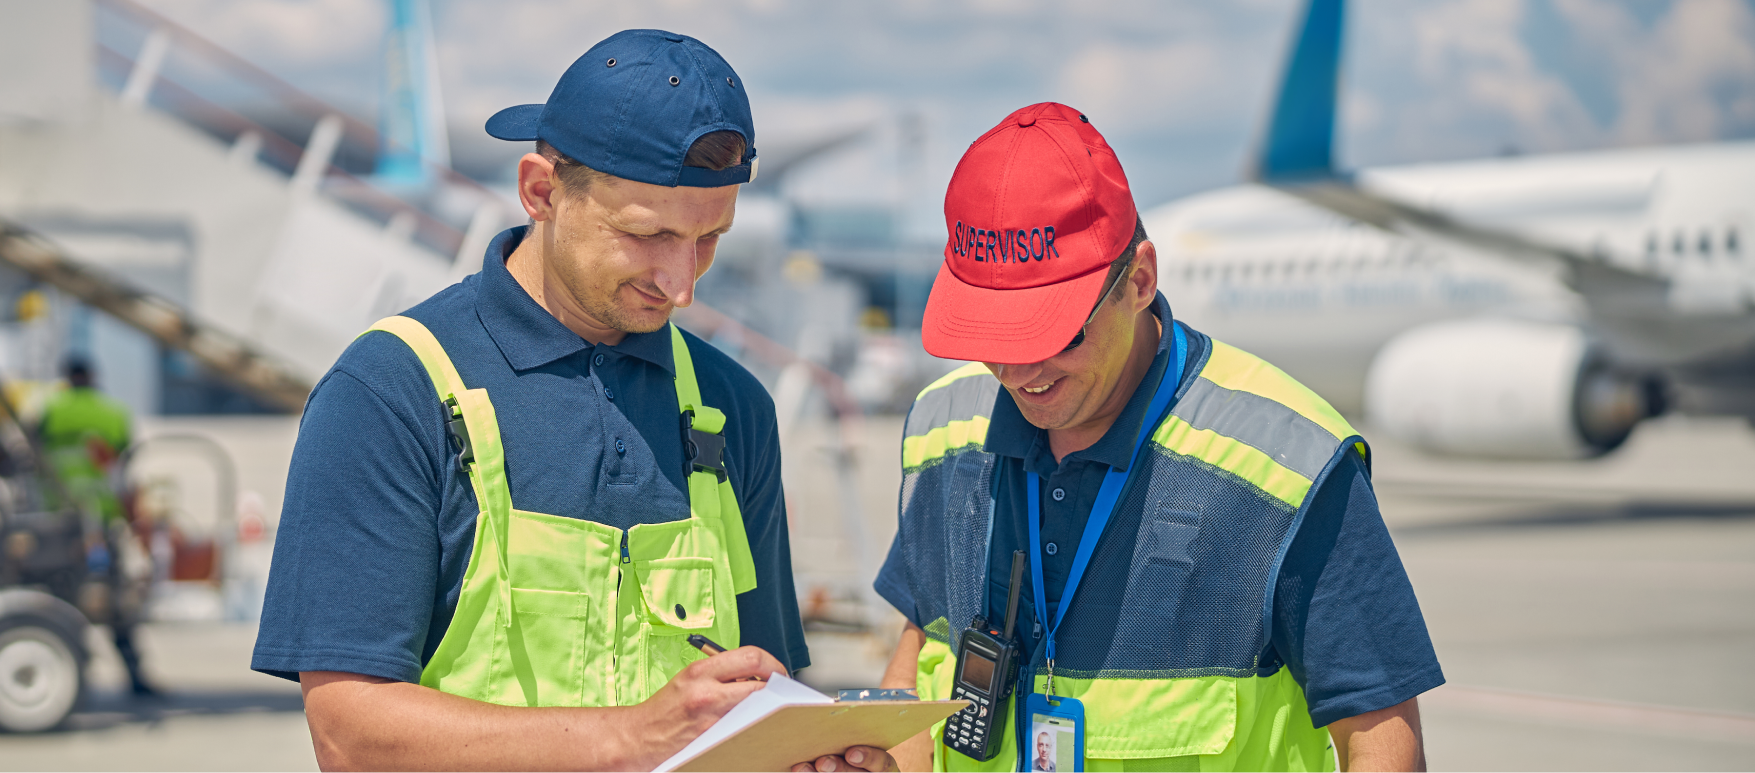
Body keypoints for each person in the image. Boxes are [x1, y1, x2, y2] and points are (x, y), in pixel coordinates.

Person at [252, 30, 889, 773]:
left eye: (710, 238)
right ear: (540, 191)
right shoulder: (391, 388)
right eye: (645, 235)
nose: (681, 284)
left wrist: (807, 752)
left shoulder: (729, 405)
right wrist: (627, 737)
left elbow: (759, 692)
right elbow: (348, 734)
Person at [871, 103, 1444, 772]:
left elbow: (1378, 732)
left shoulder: (1287, 467)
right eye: (991, 335)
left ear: (1138, 280)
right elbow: (914, 661)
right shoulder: (943, 431)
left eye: (1050, 333)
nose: (1017, 370)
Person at [39, 356, 155, 697]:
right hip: (102, 519)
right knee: (117, 602)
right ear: (92, 376)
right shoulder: (113, 413)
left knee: (59, 599)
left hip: (57, 520)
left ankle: (68, 670)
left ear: (66, 377)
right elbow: (122, 470)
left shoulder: (49, 412)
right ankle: (135, 675)